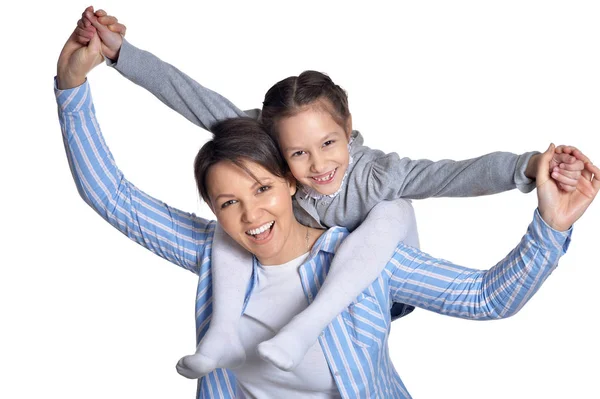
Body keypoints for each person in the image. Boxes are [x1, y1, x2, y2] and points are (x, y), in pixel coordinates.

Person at [56, 24, 599, 399]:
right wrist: (77, 80)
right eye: (228, 202)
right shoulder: (218, 244)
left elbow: (485, 296)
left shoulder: (372, 216)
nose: (251, 216)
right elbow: (115, 193)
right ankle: (220, 333)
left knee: (390, 211)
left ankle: (301, 326)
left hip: (373, 265)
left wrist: (544, 210)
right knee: (227, 244)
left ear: (286, 185)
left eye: (262, 190)